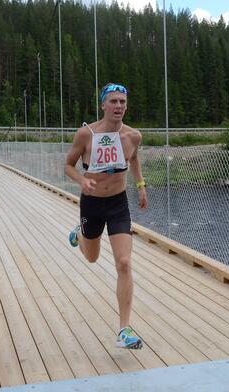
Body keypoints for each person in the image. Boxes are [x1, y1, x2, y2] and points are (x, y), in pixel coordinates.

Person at [64, 82, 148, 350]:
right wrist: (81, 181)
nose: (118, 106)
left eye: (122, 102)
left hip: (118, 204)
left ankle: (124, 330)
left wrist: (141, 186)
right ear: (103, 105)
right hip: (92, 204)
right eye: (113, 101)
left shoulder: (133, 136)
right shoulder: (86, 134)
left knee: (123, 262)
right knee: (92, 257)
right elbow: (68, 165)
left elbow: (133, 159)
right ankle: (80, 233)